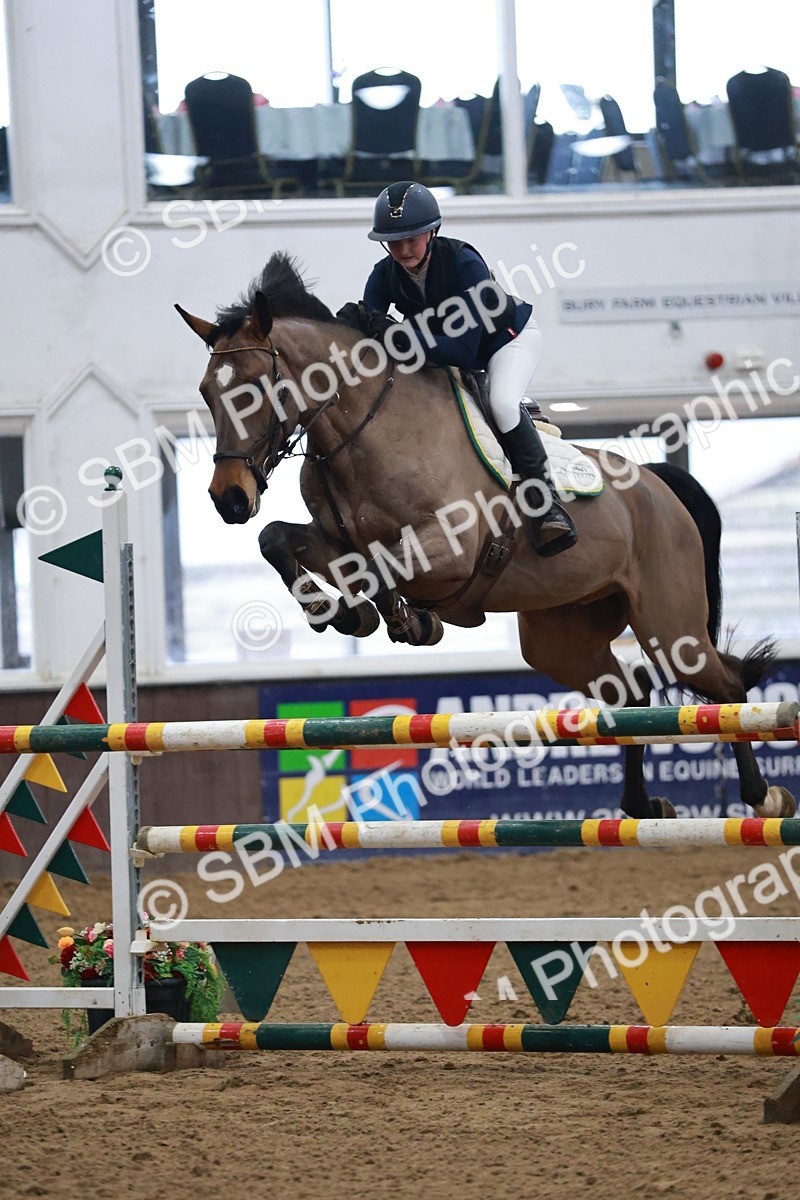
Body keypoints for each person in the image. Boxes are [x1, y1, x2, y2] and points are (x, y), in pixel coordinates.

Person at [363, 180, 577, 557]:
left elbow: (462, 352)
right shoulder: (386, 273)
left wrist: (401, 335)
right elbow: (369, 317)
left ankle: (546, 505)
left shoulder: (464, 264)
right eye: (393, 240)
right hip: (448, 350)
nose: (402, 248)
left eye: (411, 238)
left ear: (432, 232)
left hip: (506, 341)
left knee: (504, 404)